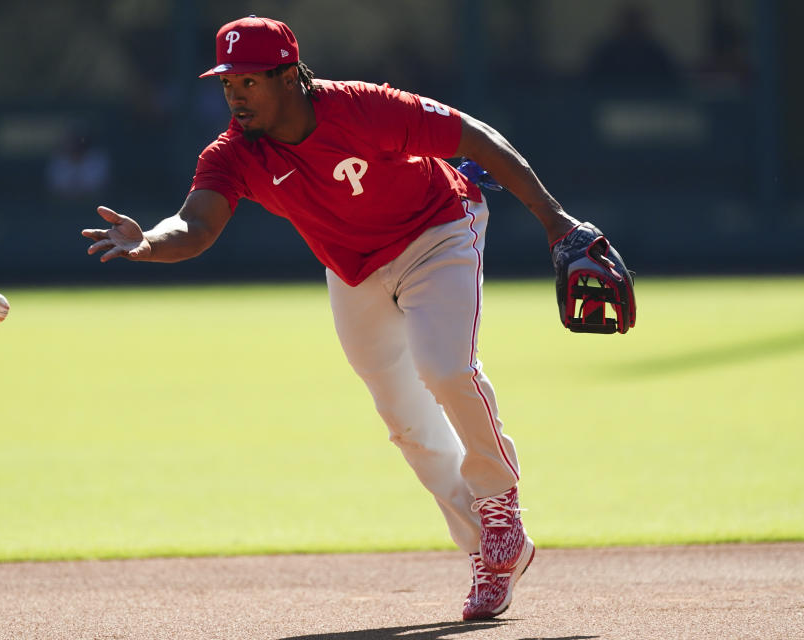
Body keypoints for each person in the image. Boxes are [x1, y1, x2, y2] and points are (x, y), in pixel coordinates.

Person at [82, 15, 578, 621]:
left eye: (249, 81)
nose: (236, 96)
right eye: (227, 83)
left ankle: (499, 503)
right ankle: (492, 553)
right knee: (405, 421)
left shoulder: (363, 108)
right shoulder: (234, 154)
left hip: (438, 230)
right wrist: (150, 243)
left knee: (445, 367)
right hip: (353, 271)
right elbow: (196, 224)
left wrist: (557, 224)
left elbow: (477, 138)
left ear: (289, 74)